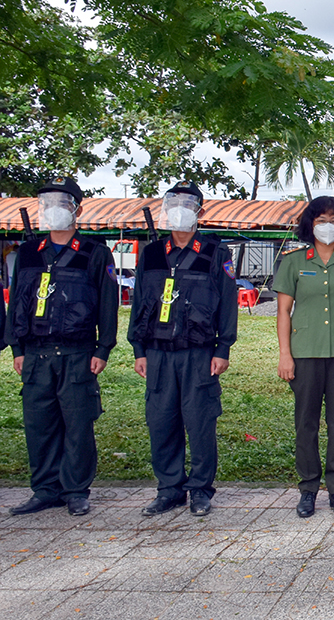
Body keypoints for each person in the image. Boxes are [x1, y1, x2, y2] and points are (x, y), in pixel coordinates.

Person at [5, 176, 118, 516]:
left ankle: (75, 490)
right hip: (36, 353)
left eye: (61, 201)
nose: (53, 209)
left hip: (77, 352)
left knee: (78, 423)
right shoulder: (28, 252)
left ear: (76, 209)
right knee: (39, 423)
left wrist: (103, 349)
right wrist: (17, 349)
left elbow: (108, 306)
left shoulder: (95, 253)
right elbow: (17, 305)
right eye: (47, 202)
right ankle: (45, 489)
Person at [129, 181, 238, 517]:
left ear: (198, 211)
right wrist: (138, 349)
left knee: (200, 423)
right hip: (158, 353)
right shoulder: (150, 253)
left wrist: (223, 348)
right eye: (172, 201)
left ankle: (201, 489)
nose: (179, 208)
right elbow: (138, 304)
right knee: (161, 421)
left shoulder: (216, 255)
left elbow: (228, 306)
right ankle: (169, 489)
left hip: (199, 353)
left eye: (187, 203)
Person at [274, 196, 334, 518]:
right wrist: (285, 355)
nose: (328, 225)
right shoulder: (293, 261)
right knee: (306, 423)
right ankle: (307, 489)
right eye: (321, 219)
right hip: (305, 354)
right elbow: (284, 312)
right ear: (310, 223)